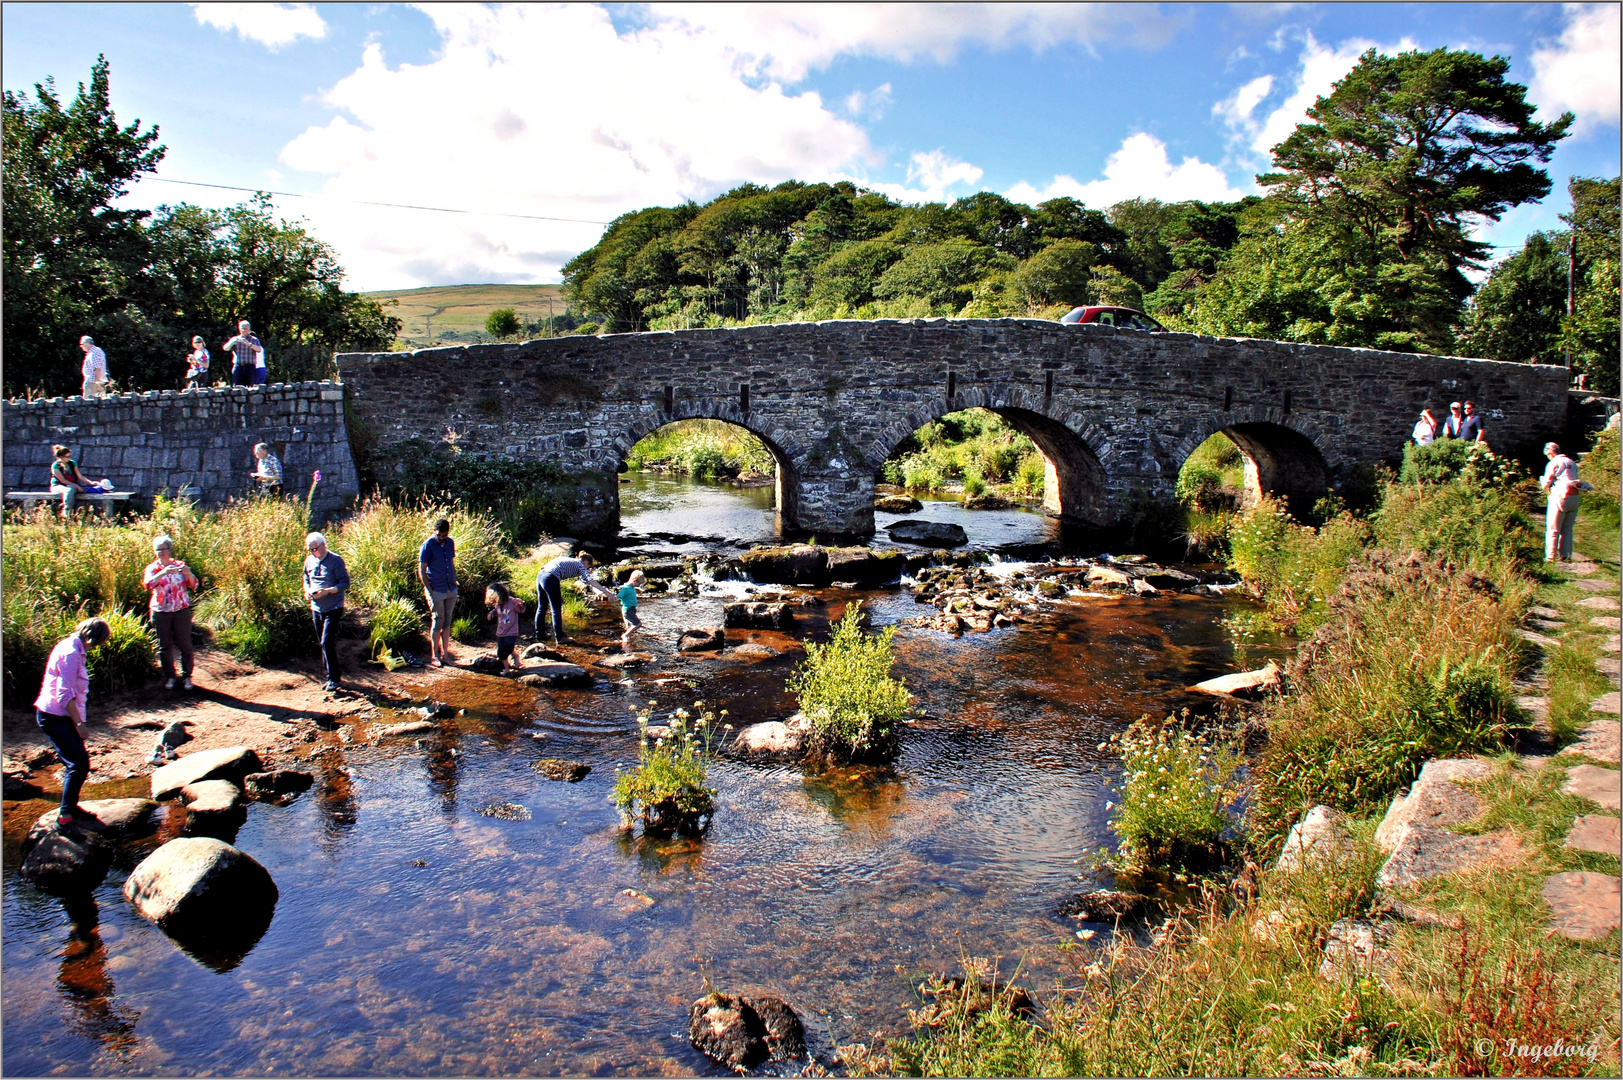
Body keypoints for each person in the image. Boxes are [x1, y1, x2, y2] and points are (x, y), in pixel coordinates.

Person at [34, 618, 111, 827]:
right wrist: (79, 724)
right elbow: (64, 694)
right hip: (55, 716)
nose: (97, 647)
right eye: (99, 642)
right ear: (93, 637)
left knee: (77, 762)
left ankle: (71, 808)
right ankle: (65, 819)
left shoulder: (72, 646)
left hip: (61, 715)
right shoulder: (71, 653)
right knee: (78, 764)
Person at [142, 534, 199, 698]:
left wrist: (188, 574)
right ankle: (170, 677)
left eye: (163, 549)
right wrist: (163, 573)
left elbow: (194, 585)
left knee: (185, 644)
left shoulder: (180, 565)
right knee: (164, 645)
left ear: (170, 549)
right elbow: (148, 584)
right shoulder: (152, 568)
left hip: (180, 610)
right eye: (157, 550)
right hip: (161, 611)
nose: (160, 552)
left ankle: (187, 676)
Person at [302, 532, 350, 690]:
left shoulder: (335, 560)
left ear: (323, 545)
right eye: (310, 549)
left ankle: (334, 679)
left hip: (333, 607)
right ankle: (328, 675)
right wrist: (307, 591)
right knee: (322, 643)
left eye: (315, 548)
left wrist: (328, 591)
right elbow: (305, 577)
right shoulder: (309, 560)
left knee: (327, 641)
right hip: (316, 608)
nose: (313, 552)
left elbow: (345, 583)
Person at [534, 550, 614, 644]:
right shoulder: (580, 565)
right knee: (556, 609)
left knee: (542, 606)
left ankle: (540, 634)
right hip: (550, 578)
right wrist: (607, 593)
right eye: (589, 566)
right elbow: (591, 581)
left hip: (541, 575)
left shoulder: (570, 560)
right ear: (587, 562)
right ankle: (560, 637)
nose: (588, 569)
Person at [418, 517, 457, 668]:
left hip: (450, 588)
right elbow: (421, 570)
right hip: (436, 589)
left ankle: (445, 655)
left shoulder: (450, 543)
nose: (441, 538)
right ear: (434, 531)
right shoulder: (428, 545)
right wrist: (430, 590)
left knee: (447, 621)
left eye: (444, 535)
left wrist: (455, 582)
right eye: (439, 535)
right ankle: (434, 656)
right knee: (437, 621)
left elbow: (451, 564)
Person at [1540, 442, 1585, 563]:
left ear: (1550, 453)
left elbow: (1546, 484)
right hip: (1574, 496)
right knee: (1567, 528)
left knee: (1553, 528)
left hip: (1560, 495)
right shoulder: (1571, 462)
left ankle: (1550, 557)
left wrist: (1542, 480)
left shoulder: (1553, 463)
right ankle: (1566, 555)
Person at [49, 445, 106, 515]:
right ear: (61, 457)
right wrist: (76, 486)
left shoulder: (72, 463)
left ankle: (71, 512)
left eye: (70, 456)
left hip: (72, 486)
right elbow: (63, 480)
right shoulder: (55, 466)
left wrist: (90, 483)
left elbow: (80, 476)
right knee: (70, 489)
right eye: (67, 457)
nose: (69, 458)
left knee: (72, 488)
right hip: (58, 486)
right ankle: (66, 511)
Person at [485, 582, 526, 672]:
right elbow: (496, 610)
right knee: (502, 649)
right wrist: (491, 614)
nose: (495, 602)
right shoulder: (498, 604)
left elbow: (521, 610)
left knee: (506, 649)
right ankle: (511, 662)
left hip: (511, 631)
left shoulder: (512, 602)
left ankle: (508, 665)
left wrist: (522, 604)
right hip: (501, 631)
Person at [222, 320, 264, 388]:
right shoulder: (235, 339)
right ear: (239, 329)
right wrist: (232, 343)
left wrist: (249, 344)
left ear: (249, 329)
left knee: (251, 388)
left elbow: (259, 349)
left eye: (246, 328)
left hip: (250, 367)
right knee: (237, 388)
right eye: (242, 328)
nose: (244, 330)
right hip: (239, 366)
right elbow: (225, 348)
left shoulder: (254, 339)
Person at [618, 569, 645, 650]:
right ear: (634, 580)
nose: (639, 585)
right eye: (639, 583)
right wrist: (612, 597)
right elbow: (618, 596)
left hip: (631, 609)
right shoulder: (626, 588)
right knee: (638, 624)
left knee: (629, 625)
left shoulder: (631, 587)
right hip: (627, 610)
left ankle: (627, 635)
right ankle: (625, 635)